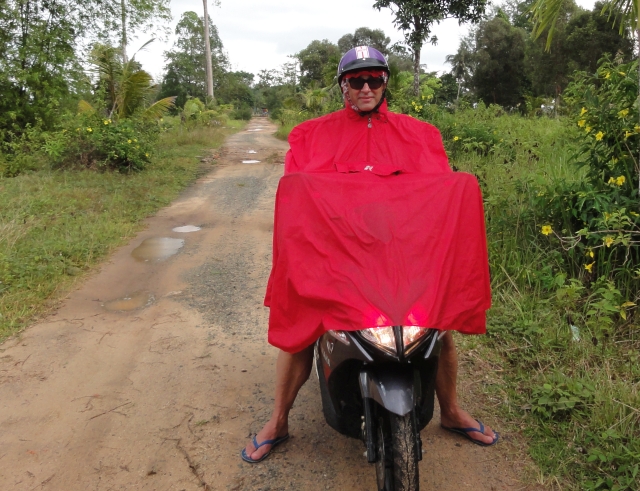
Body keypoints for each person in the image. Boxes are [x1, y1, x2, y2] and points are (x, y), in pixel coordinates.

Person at [241, 46, 498, 464]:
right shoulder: (311, 136)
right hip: (337, 257)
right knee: (302, 328)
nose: (365, 87)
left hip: (401, 256)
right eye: (356, 80)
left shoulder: (420, 135)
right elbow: (299, 201)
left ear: (385, 82)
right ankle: (278, 420)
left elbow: (438, 197)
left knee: (439, 328)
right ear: (342, 86)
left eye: (374, 79)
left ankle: (450, 411)